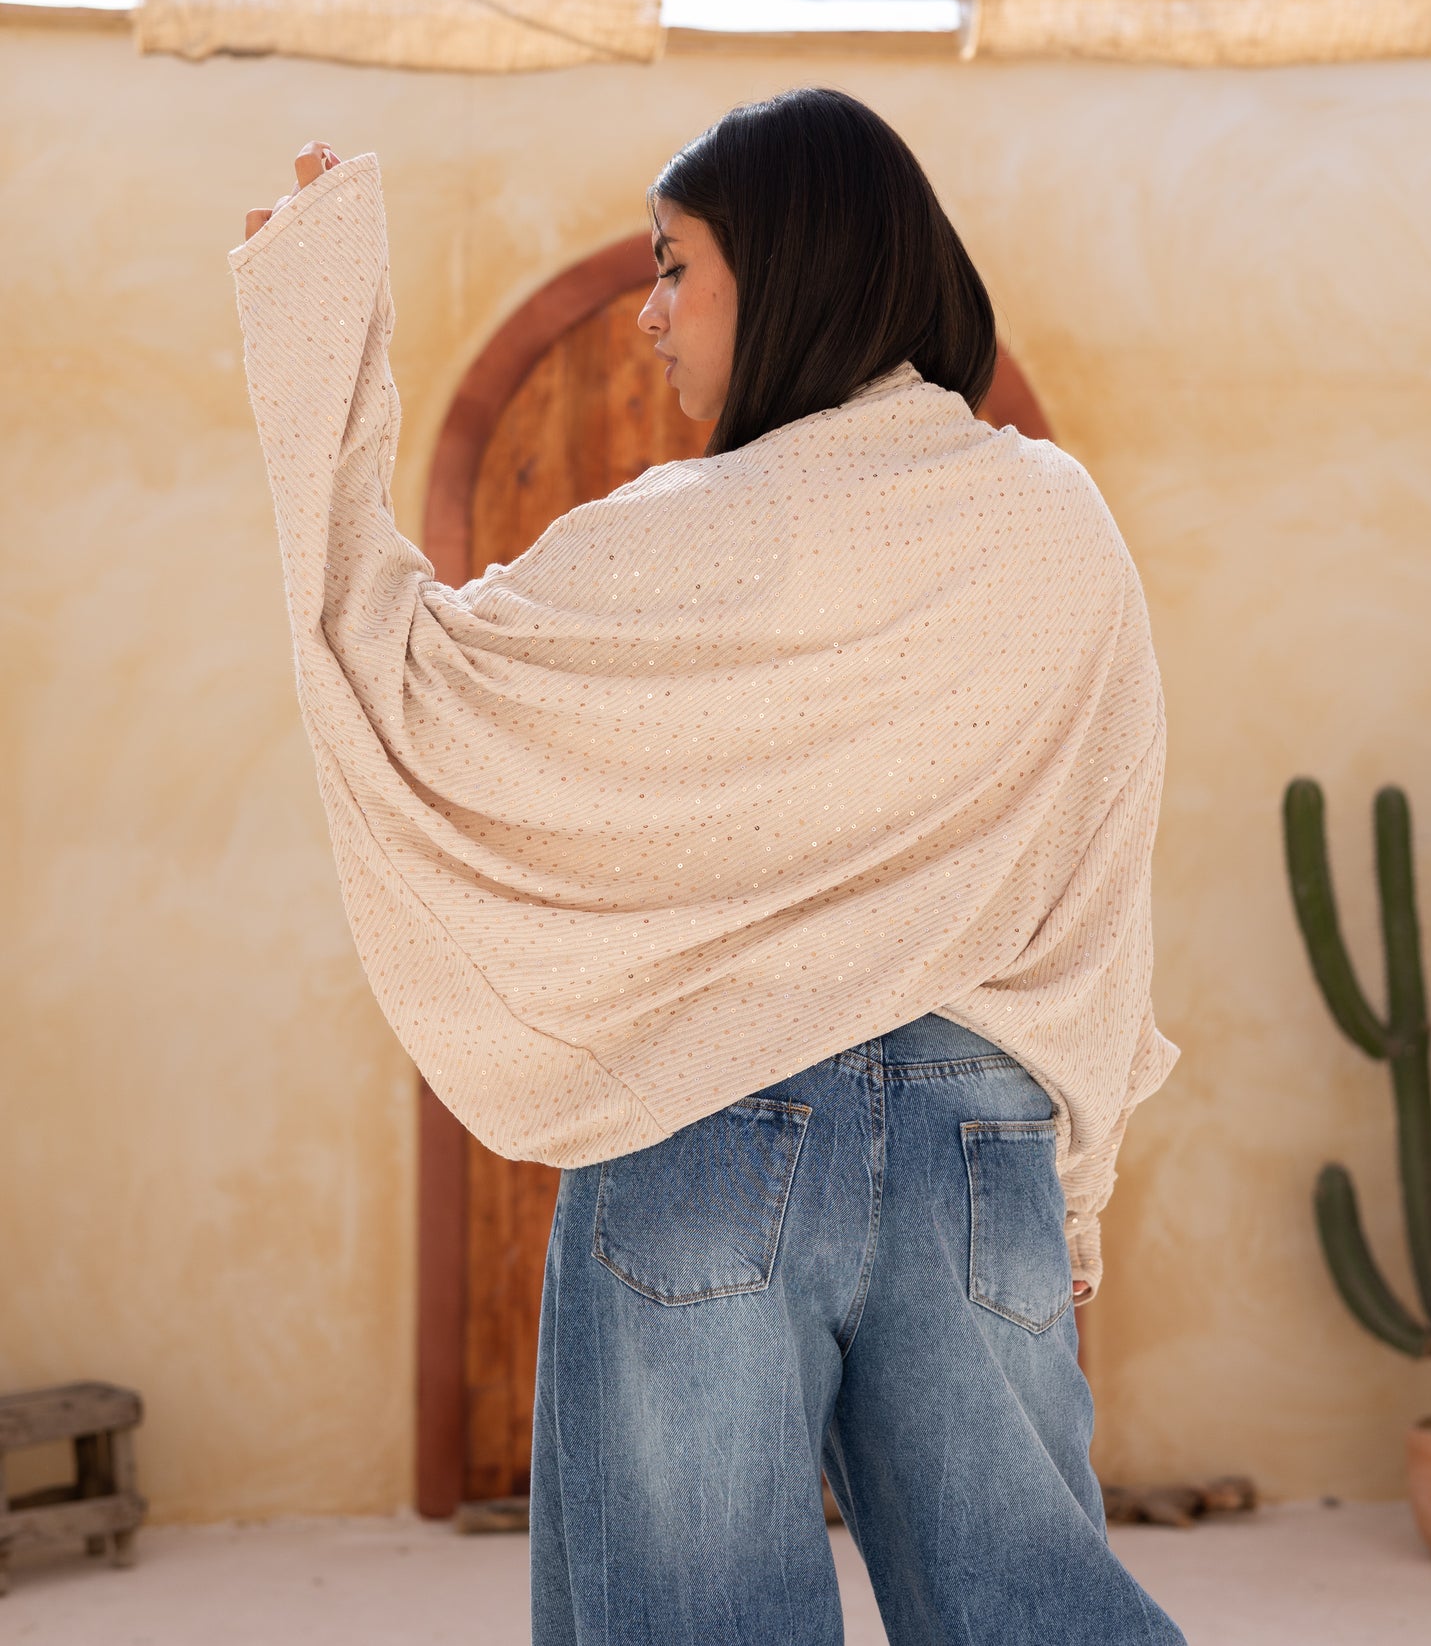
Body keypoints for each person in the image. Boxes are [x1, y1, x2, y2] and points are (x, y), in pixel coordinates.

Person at [238, 89, 1186, 1644]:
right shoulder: (1054, 516)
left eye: (677, 265)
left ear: (797, 269)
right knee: (1039, 1616)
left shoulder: (666, 535)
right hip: (978, 1146)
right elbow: (1099, 863)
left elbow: (402, 682)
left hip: (698, 1132)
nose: (644, 316)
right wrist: (1067, 1192)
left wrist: (318, 323)